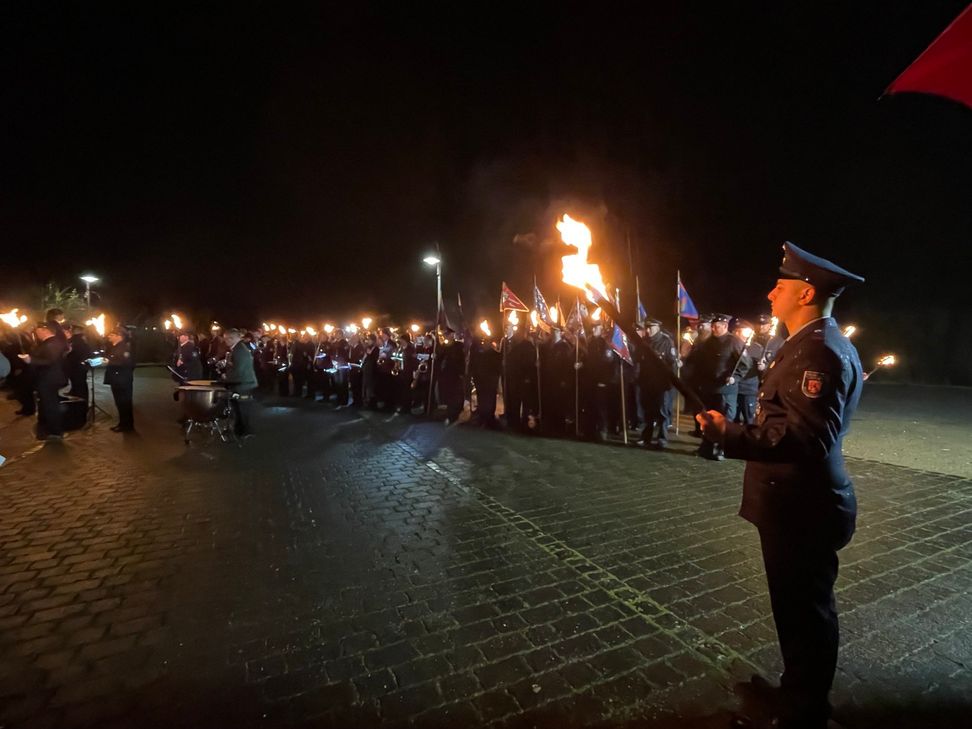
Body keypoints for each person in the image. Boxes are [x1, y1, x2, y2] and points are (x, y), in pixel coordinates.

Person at [697, 241, 865, 729]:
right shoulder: (805, 345)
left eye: (781, 285)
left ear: (806, 292)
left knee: (807, 613)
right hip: (793, 504)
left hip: (804, 508)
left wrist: (729, 433)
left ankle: (806, 712)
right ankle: (796, 693)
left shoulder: (820, 353)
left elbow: (803, 438)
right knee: (793, 610)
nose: (772, 292)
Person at [692, 313, 743, 460]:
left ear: (725, 326)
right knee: (708, 419)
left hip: (725, 390)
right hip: (708, 388)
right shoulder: (708, 343)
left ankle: (722, 449)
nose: (714, 329)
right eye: (713, 326)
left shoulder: (734, 342)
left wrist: (735, 378)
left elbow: (745, 364)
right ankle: (706, 447)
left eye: (717, 326)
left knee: (724, 420)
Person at [19, 322, 67, 439]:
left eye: (38, 330)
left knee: (50, 405)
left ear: (45, 330)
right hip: (46, 378)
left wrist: (30, 360)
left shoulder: (52, 343)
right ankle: (47, 427)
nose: (36, 332)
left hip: (49, 379)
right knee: (46, 404)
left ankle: (55, 431)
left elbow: (50, 361)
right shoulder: (48, 343)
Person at [636, 318, 677, 448]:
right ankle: (646, 437)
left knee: (662, 412)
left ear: (658, 327)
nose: (648, 330)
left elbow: (672, 363)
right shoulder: (644, 342)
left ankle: (662, 438)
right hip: (647, 382)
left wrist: (670, 383)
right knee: (648, 412)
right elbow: (638, 360)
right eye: (646, 328)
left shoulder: (666, 342)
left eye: (651, 328)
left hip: (662, 384)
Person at [222, 328, 258, 437]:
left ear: (232, 338)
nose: (225, 342)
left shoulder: (239, 351)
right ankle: (239, 430)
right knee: (238, 408)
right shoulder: (238, 348)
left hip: (244, 384)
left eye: (226, 339)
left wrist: (226, 377)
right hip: (242, 383)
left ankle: (245, 431)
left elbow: (240, 370)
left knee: (242, 409)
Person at [104, 326, 135, 433]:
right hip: (117, 379)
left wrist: (109, 362)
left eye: (112, 335)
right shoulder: (115, 346)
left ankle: (127, 425)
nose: (109, 337)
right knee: (120, 403)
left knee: (124, 403)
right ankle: (123, 423)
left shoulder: (124, 347)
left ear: (119, 336)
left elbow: (126, 363)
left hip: (122, 380)